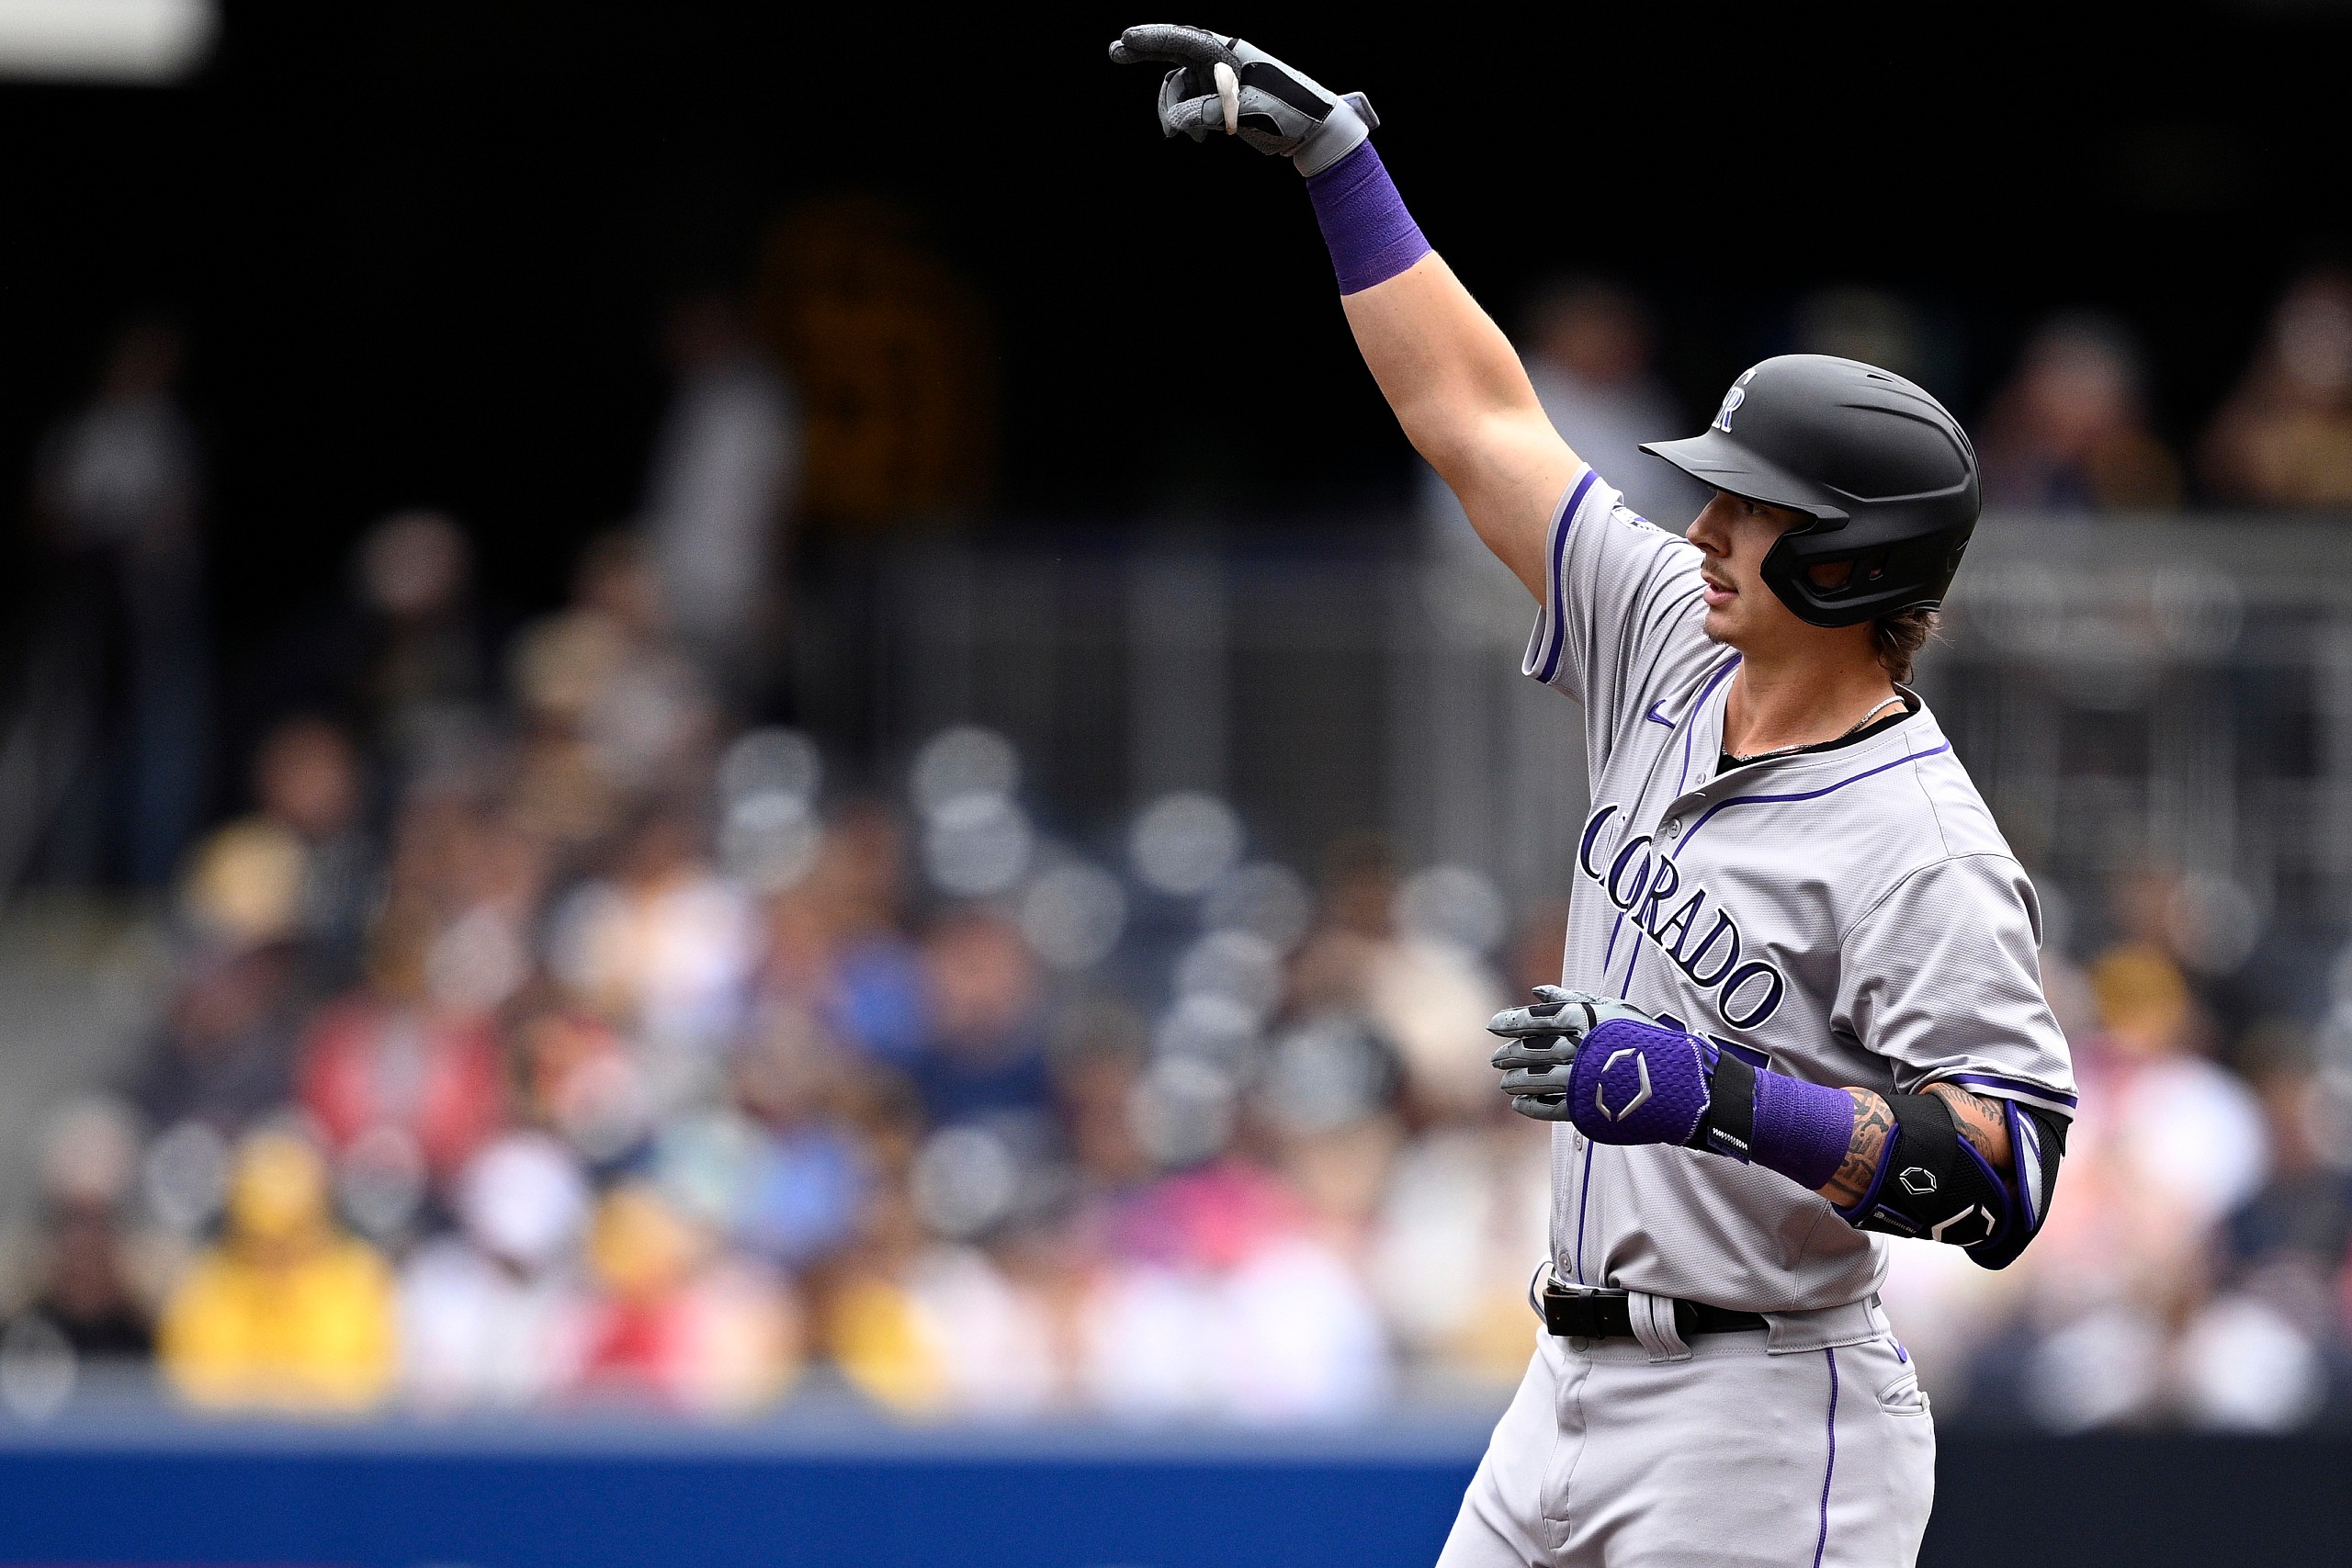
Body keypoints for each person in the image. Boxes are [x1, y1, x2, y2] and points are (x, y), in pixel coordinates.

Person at [1110, 28, 2076, 1565]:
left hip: (1764, 1420)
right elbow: (1477, 419)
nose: (1700, 522)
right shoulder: (1666, 640)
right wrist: (1342, 171)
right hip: (1559, 1384)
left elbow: (2006, 1169)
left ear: (1849, 561)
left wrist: (1713, 1091)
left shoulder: (1922, 844)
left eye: (1749, 508)